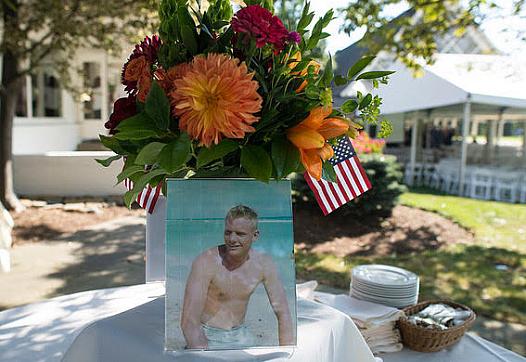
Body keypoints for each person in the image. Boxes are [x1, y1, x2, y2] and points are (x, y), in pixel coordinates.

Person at [180, 205, 294, 349]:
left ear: (255, 235)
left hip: (240, 335)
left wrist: (287, 353)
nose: (232, 239)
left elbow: (283, 313)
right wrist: (202, 354)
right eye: (228, 233)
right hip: (208, 336)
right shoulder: (206, 262)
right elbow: (189, 322)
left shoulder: (264, 264)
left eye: (240, 234)